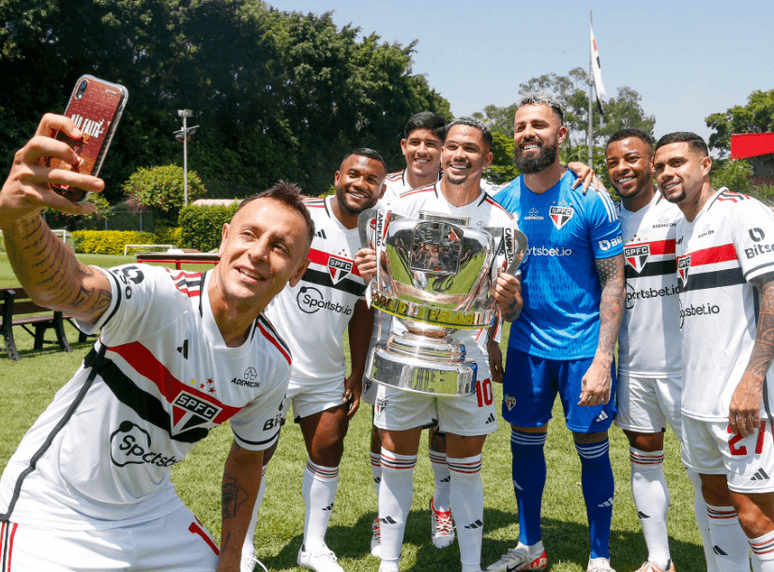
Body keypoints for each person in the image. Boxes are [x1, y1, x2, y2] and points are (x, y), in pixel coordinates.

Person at [0, 114, 314, 572]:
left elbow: (248, 458)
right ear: (225, 239)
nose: (258, 253)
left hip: (150, 514)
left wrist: (230, 560)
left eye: (281, 247)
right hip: (54, 510)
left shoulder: (271, 363)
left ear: (298, 272)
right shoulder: (159, 295)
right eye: (249, 234)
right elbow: (66, 287)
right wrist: (20, 217)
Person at [356, 117, 523, 572]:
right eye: (452, 147)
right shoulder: (402, 209)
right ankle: (389, 563)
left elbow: (510, 309)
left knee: (467, 466)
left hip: (468, 356)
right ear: (443, 152)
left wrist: (509, 301)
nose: (458, 155)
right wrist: (372, 268)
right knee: (396, 458)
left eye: (470, 149)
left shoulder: (502, 223)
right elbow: (381, 281)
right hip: (404, 346)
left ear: (486, 158)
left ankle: (470, 565)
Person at [487, 92, 625, 572]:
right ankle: (530, 547)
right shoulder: (501, 202)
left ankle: (600, 556)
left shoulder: (590, 196)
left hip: (584, 348)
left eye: (539, 125)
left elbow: (614, 282)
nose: (528, 133)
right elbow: (494, 284)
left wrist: (603, 359)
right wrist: (495, 333)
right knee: (524, 444)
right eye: (520, 126)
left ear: (561, 134)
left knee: (592, 451)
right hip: (526, 348)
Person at [240, 149, 385, 572]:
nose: (360, 184)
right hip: (272, 361)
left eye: (371, 179)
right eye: (353, 174)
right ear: (337, 176)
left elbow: (363, 309)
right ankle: (244, 547)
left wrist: (357, 372)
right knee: (256, 455)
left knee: (329, 449)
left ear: (381, 190)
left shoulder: (375, 239)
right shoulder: (301, 219)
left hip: (326, 370)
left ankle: (314, 546)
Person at [607, 128, 729, 572]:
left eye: (634, 159)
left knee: (705, 473)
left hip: (687, 369)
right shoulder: (608, 218)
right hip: (634, 366)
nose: (623, 168)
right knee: (644, 457)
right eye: (612, 162)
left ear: (651, 164)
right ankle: (659, 560)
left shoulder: (679, 211)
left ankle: (721, 560)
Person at [656, 131, 774, 571]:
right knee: (716, 502)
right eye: (660, 166)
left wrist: (753, 380)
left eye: (677, 163)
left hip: (742, 400)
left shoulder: (741, 211)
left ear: (705, 165)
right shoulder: (681, 227)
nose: (666, 173)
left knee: (756, 516)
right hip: (698, 401)